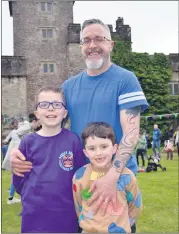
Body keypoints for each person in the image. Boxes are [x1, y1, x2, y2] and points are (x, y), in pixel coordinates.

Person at [11, 19, 148, 219]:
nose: (92, 45)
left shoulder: (125, 80)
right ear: (81, 46)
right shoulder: (68, 86)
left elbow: (131, 133)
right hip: (77, 178)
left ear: (110, 44)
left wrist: (112, 176)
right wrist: (22, 152)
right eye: (86, 40)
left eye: (99, 39)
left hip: (116, 178)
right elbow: (50, 131)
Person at [13, 86, 86, 233]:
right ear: (37, 113)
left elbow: (81, 176)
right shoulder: (28, 141)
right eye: (44, 104)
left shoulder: (73, 140)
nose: (51, 109)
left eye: (57, 104)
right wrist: (31, 196)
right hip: (34, 214)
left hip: (66, 215)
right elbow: (19, 178)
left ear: (65, 113)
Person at [73, 122, 142, 233]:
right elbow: (79, 205)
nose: (98, 153)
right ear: (85, 152)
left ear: (115, 148)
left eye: (104, 147)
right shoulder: (79, 176)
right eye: (92, 148)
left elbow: (135, 205)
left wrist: (125, 225)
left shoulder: (127, 176)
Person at [2, 118, 31, 204]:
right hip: (17, 155)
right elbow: (14, 134)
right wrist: (20, 145)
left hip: (15, 155)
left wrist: (7, 140)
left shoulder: (20, 129)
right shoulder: (27, 127)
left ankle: (11, 197)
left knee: (16, 176)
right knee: (19, 176)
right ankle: (12, 198)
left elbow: (12, 133)